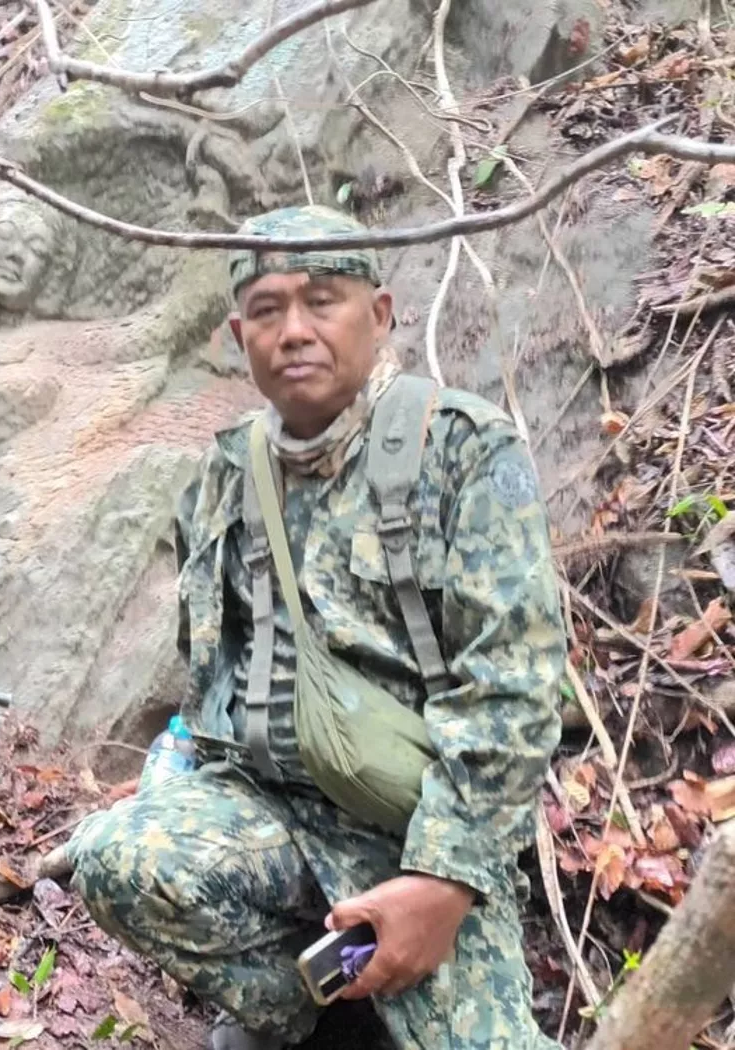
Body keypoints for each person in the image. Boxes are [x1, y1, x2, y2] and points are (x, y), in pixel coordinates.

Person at [66, 206, 567, 1050]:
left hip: (417, 828)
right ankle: (323, 1014)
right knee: (118, 860)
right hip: (276, 813)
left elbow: (512, 693)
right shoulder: (225, 471)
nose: (293, 330)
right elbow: (215, 671)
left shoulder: (463, 452)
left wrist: (445, 882)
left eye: (321, 300)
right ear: (237, 334)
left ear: (378, 314)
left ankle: (388, 986)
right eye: (267, 310)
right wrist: (180, 772)